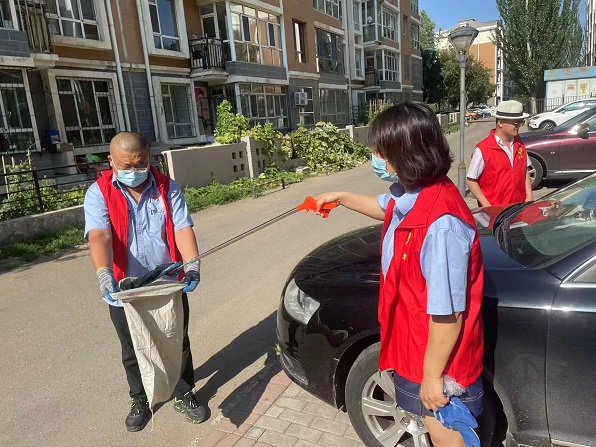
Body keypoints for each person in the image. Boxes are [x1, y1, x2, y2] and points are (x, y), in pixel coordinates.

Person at [315, 102, 484, 447]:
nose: (375, 158)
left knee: (445, 433)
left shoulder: (441, 226)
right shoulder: (416, 194)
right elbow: (386, 207)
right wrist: (341, 197)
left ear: (405, 155)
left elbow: (448, 315)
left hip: (439, 361)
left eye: (381, 152)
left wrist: (432, 377)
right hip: (415, 346)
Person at [83, 132, 206, 432]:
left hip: (167, 283)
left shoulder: (166, 187)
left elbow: (182, 228)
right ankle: (140, 398)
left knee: (177, 341)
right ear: (111, 160)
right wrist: (103, 273)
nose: (135, 170)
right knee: (132, 348)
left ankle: (183, 393)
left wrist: (192, 264)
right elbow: (99, 235)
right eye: (127, 165)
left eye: (141, 163)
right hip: (125, 288)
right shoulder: (98, 192)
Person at [466, 100, 534, 207]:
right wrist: (487, 205)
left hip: (518, 208)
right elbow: (471, 180)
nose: (518, 126)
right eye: (515, 123)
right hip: (496, 212)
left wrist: (529, 196)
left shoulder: (519, 144)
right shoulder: (483, 149)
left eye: (520, 122)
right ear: (500, 123)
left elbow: (524, 170)